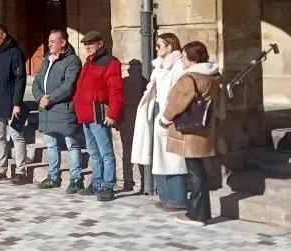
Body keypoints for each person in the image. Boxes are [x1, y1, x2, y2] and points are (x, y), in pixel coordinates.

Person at [160, 41, 224, 226]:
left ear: (192, 58)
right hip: (205, 129)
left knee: (195, 172)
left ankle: (197, 215)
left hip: (190, 131)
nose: (182, 58)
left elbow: (176, 102)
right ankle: (200, 212)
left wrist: (164, 120)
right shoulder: (213, 76)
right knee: (198, 171)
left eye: (184, 56)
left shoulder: (191, 78)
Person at [132, 33, 188, 210]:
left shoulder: (178, 65)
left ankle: (177, 199)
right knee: (158, 156)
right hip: (156, 113)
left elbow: (179, 92)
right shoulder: (159, 66)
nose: (156, 49)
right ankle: (164, 196)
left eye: (159, 46)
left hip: (170, 115)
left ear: (169, 46)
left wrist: (169, 114)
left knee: (173, 158)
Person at [73, 31, 124, 202]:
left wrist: (113, 113)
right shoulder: (88, 63)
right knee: (94, 153)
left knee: (106, 153)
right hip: (86, 114)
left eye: (91, 44)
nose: (87, 47)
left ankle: (108, 186)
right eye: (85, 45)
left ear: (100, 43)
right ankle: (97, 183)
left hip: (99, 114)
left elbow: (115, 90)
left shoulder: (110, 62)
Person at [32, 30, 83, 192]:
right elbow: (36, 83)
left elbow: (69, 85)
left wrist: (50, 98)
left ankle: (76, 178)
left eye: (53, 41)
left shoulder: (72, 60)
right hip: (47, 110)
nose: (50, 44)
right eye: (49, 41)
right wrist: (40, 97)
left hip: (63, 109)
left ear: (63, 43)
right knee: (51, 144)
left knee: (72, 144)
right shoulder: (46, 60)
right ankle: (53, 176)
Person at [0, 24, 28, 185]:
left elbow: (20, 79)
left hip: (11, 104)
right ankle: (1, 169)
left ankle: (21, 171)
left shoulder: (15, 53)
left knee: (16, 136)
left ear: (3, 35)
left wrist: (16, 103)